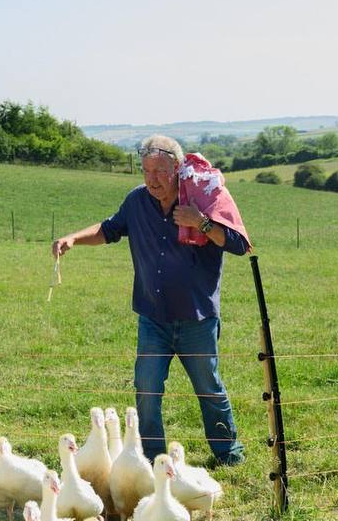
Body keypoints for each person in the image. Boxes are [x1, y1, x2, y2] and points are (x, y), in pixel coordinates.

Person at [51, 134, 248, 466]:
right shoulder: (137, 202)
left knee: (208, 387)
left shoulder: (201, 197)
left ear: (177, 168)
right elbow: (110, 229)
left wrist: (199, 222)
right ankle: (153, 458)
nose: (152, 179)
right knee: (146, 388)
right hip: (153, 317)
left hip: (197, 318)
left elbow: (238, 243)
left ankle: (228, 453)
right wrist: (73, 239)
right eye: (146, 171)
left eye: (159, 171)